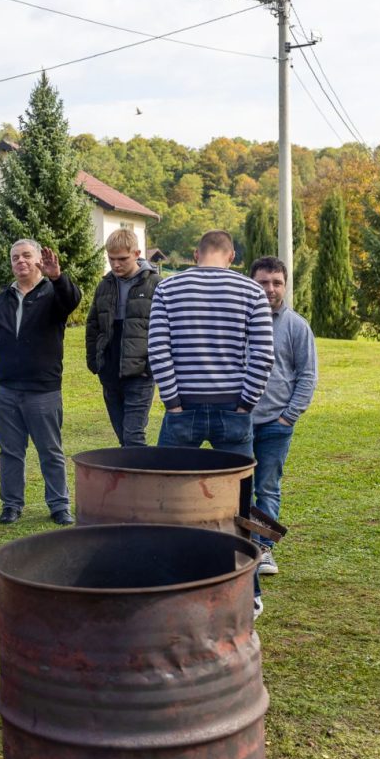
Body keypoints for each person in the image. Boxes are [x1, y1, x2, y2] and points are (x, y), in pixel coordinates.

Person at [147, 230, 274, 618]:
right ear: (232, 256)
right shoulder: (251, 292)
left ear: (195, 253)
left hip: (182, 410)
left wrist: (172, 400)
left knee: (169, 500)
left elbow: (157, 349)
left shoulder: (169, 288)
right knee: (238, 504)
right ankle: (247, 593)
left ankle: (167, 584)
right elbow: (263, 355)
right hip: (231, 411)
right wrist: (245, 402)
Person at [0, 239, 81, 525]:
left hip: (42, 390)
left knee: (50, 451)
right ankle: (11, 505)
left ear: (37, 261)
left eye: (26, 256)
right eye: (15, 257)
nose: (20, 261)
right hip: (5, 389)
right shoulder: (2, 299)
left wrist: (58, 276)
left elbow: (72, 300)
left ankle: (59, 505)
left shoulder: (53, 294)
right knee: (10, 452)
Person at [248, 256, 318, 578]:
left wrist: (288, 417)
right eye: (263, 282)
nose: (270, 289)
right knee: (236, 487)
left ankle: (263, 549)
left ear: (285, 286)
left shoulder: (296, 326)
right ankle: (239, 546)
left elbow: (307, 376)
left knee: (267, 487)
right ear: (251, 283)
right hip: (239, 422)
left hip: (276, 424)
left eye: (276, 282)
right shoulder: (239, 321)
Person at [85, 229, 160, 446]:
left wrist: (151, 365)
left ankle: (140, 480)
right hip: (109, 373)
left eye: (122, 259)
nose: (116, 264)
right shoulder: (105, 285)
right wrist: (95, 361)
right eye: (111, 259)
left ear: (136, 253)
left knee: (133, 437)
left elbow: (166, 330)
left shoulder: (155, 284)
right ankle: (132, 478)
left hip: (140, 374)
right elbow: (93, 325)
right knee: (122, 436)